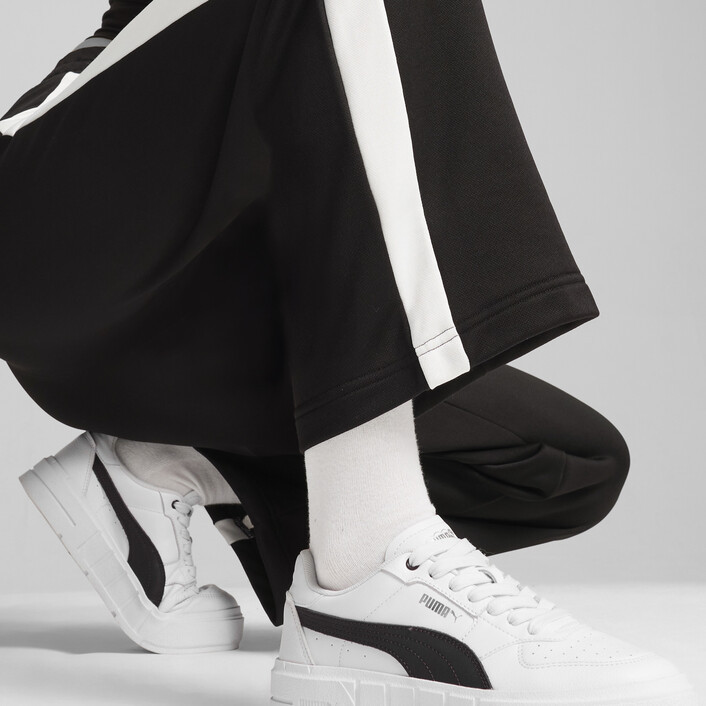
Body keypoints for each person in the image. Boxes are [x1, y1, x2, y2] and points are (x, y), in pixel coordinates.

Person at [1, 1, 696, 703]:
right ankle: (365, 570)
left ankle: (160, 460)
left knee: (567, 463)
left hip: (200, 289)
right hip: (40, 226)